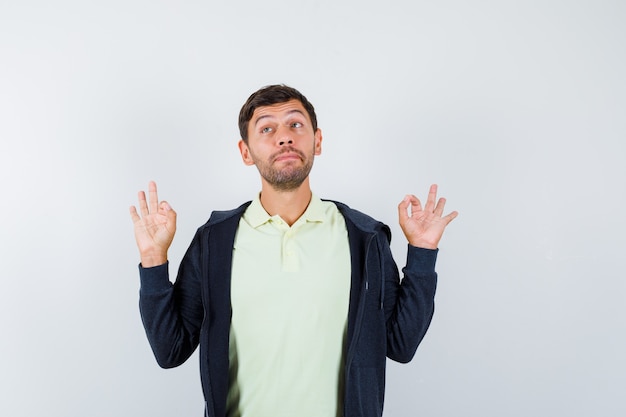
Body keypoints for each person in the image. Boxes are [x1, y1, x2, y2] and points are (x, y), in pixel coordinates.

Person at [129, 84, 458, 417]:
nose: (284, 137)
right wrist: (153, 259)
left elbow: (401, 344)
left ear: (317, 141)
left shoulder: (363, 237)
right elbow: (169, 350)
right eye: (267, 128)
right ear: (246, 152)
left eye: (295, 124)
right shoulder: (213, 241)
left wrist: (422, 252)